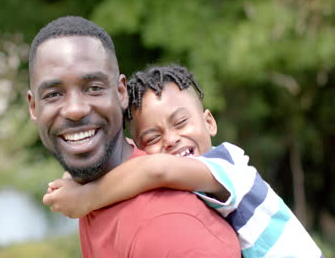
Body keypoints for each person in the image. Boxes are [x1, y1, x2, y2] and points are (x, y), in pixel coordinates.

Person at [43, 64, 324, 258]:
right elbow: (129, 161)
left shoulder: (227, 166)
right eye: (152, 138)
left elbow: (155, 170)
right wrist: (79, 175)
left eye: (181, 122)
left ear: (209, 122)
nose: (171, 139)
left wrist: (86, 198)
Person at [28, 16, 241, 257]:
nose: (75, 109)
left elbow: (157, 170)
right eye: (54, 94)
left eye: (94, 88)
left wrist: (86, 196)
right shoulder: (93, 186)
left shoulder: (168, 229)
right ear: (33, 107)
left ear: (121, 92)